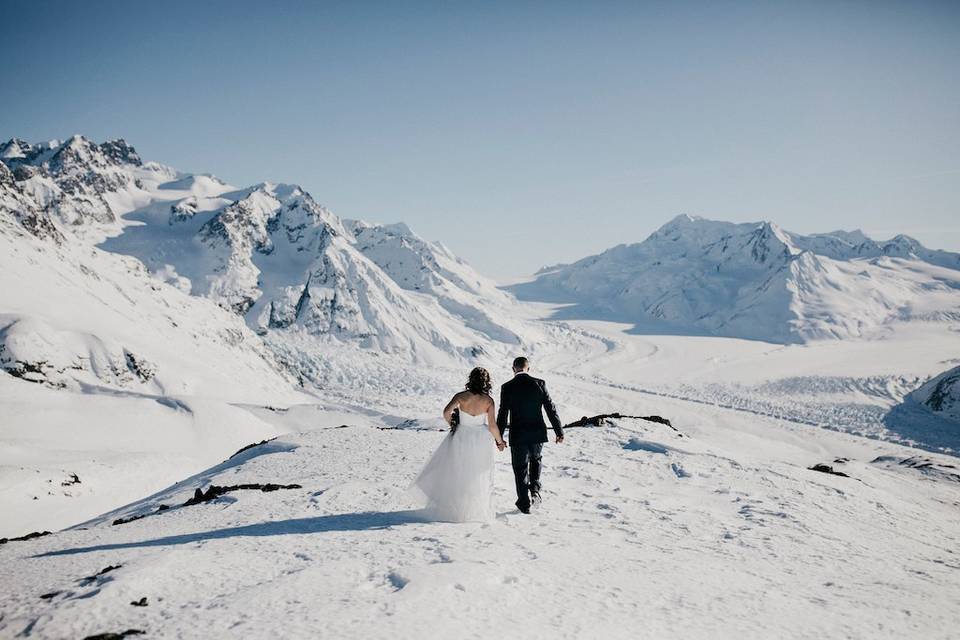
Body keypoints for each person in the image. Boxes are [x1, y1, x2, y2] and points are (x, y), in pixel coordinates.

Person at [412, 367, 506, 522]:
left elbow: (446, 412)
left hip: (462, 434)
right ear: (486, 382)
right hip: (481, 440)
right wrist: (500, 442)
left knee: (459, 471)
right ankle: (474, 510)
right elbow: (492, 426)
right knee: (477, 474)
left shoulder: (461, 396)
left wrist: (453, 424)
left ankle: (456, 509)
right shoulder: (488, 401)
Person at [496, 356, 564, 514]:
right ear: (528, 368)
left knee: (520, 469)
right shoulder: (539, 384)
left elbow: (502, 414)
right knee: (536, 460)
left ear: (513, 369)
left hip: (518, 434)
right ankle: (534, 489)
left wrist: (499, 438)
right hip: (537, 432)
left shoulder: (507, 387)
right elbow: (550, 409)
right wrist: (558, 431)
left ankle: (524, 504)